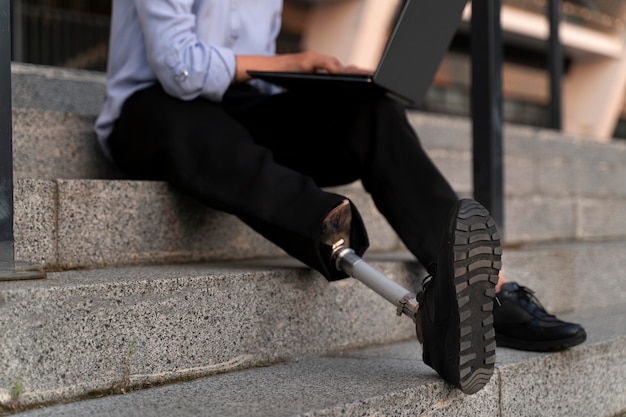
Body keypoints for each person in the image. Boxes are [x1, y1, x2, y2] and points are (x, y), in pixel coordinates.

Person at [95, 0, 585, 395]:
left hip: (237, 108)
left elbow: (250, 75)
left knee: (369, 111)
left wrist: (319, 84)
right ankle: (333, 228)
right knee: (200, 129)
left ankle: (482, 290)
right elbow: (177, 66)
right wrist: (289, 62)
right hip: (150, 111)